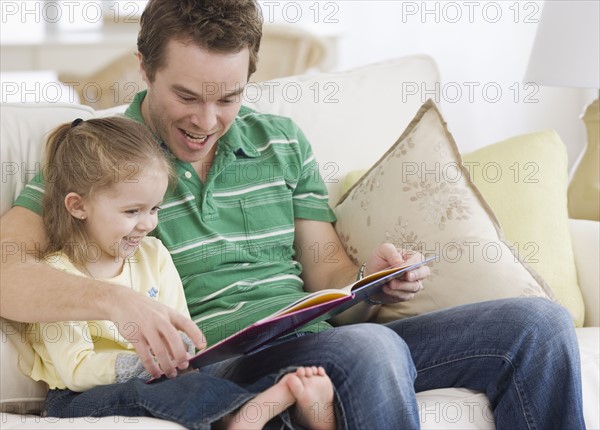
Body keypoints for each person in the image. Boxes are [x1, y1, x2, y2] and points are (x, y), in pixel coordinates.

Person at [0, 0, 585, 428]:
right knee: (370, 350)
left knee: (540, 324)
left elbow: (328, 278)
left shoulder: (282, 142)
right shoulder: (98, 156)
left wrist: (373, 284)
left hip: (315, 338)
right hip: (224, 362)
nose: (206, 120)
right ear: (144, 68)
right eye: (187, 96)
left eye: (227, 98)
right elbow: (6, 269)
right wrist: (118, 302)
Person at [26, 116, 336, 430]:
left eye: (154, 209)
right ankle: (245, 417)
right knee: (161, 392)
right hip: (78, 397)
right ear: (78, 206)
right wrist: (144, 366)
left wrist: (182, 354)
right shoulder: (58, 276)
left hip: (160, 379)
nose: (148, 224)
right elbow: (75, 370)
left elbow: (181, 329)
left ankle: (271, 409)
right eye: (132, 211)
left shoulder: (154, 255)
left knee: (192, 385)